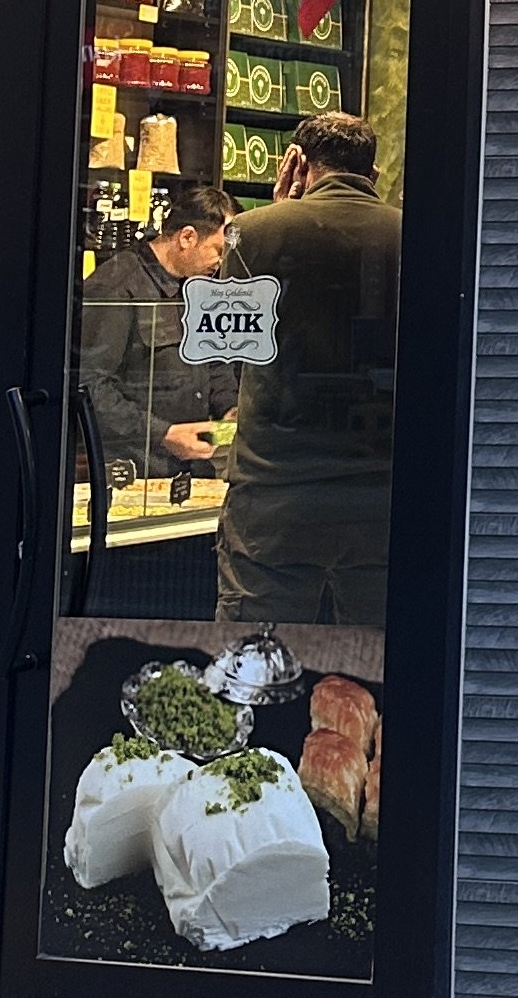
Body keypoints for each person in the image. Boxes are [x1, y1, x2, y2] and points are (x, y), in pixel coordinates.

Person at [217, 112, 400, 626]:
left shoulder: (250, 232)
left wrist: (278, 218)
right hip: (381, 492)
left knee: (253, 653)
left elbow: (231, 349)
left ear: (294, 161)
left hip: (276, 492)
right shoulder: (412, 234)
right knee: (375, 655)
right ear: (373, 174)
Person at [75, 180, 237, 484]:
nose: (221, 261)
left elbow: (214, 360)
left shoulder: (199, 287)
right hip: (134, 473)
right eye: (218, 250)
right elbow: (90, 387)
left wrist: (229, 407)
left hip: (193, 471)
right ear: (187, 237)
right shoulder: (116, 287)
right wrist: (163, 434)